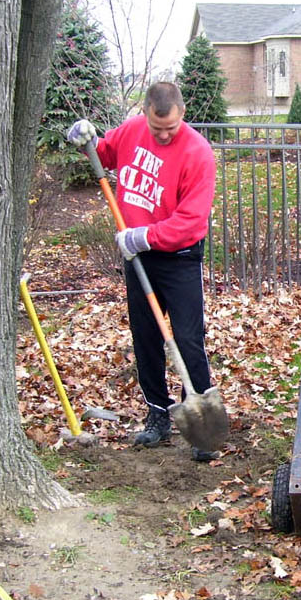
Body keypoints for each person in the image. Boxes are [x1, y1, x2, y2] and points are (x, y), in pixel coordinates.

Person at [66, 82, 220, 461]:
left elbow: (192, 221)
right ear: (147, 112)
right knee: (146, 337)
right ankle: (157, 414)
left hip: (179, 257)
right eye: (157, 128)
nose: (164, 135)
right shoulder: (133, 130)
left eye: (171, 128)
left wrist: (145, 236)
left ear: (181, 113)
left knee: (186, 337)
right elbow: (105, 153)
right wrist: (87, 139)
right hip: (137, 257)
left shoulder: (198, 153)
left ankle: (199, 416)